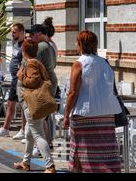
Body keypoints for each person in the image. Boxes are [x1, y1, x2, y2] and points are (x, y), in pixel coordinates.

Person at [63, 30, 122, 173]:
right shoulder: (105, 62)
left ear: (81, 44)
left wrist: (66, 115)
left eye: (77, 42)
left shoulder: (79, 63)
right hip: (106, 114)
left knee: (79, 151)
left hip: (84, 114)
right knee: (105, 151)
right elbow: (112, 89)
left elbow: (72, 92)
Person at [14, 39, 56, 173]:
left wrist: (21, 76)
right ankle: (26, 162)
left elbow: (34, 80)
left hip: (32, 104)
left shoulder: (31, 63)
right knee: (28, 134)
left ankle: (50, 166)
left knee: (38, 135)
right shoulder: (35, 62)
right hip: (34, 104)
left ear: (24, 51)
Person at [0, 23, 27, 139]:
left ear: (22, 32)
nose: (12, 34)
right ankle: (6, 128)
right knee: (10, 104)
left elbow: (25, 62)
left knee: (22, 106)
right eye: (12, 32)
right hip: (13, 79)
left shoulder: (25, 45)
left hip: (20, 80)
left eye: (14, 32)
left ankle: (23, 130)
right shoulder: (16, 44)